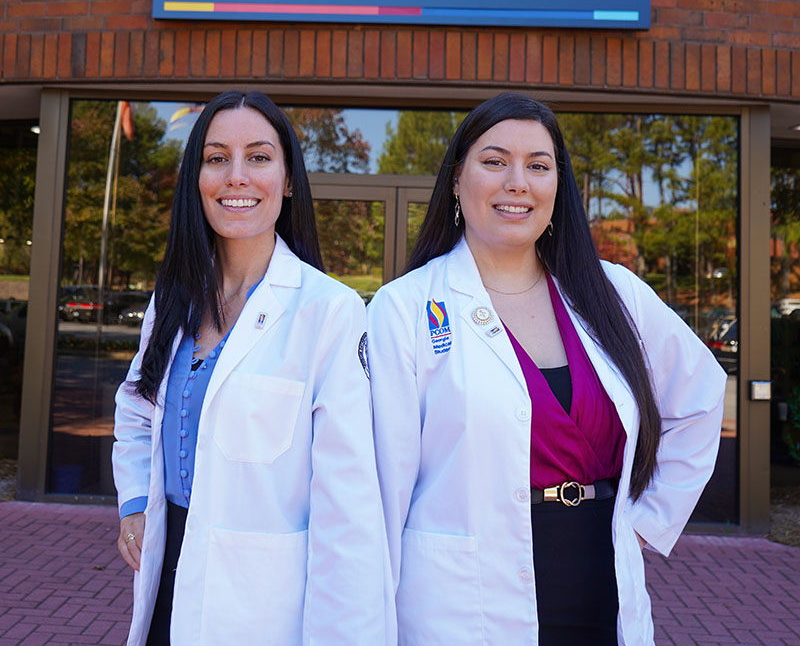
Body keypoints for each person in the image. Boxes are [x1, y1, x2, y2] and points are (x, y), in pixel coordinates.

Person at [367, 92, 726, 646]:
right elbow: (382, 486)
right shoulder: (404, 307)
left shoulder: (613, 292)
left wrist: (648, 523)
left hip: (599, 581)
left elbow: (701, 395)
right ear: (457, 181)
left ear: (558, 188)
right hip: (462, 598)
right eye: (494, 161)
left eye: (538, 165)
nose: (518, 182)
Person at [112, 90, 391, 646]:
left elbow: (349, 506)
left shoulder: (329, 311)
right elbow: (137, 409)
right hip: (169, 577)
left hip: (267, 607)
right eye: (217, 158)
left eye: (259, 157)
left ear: (288, 181)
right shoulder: (174, 298)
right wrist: (137, 504)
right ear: (198, 178)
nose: (236, 176)